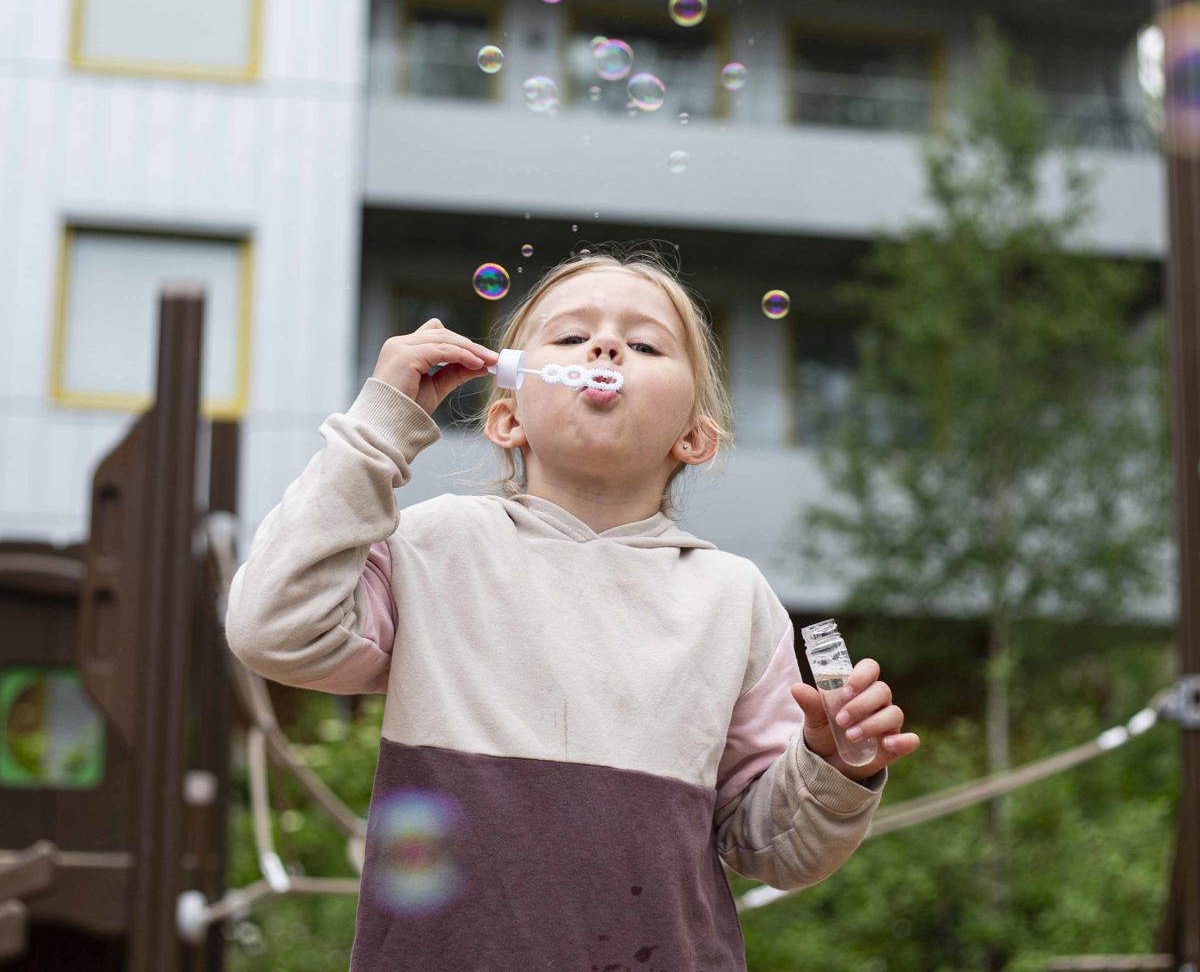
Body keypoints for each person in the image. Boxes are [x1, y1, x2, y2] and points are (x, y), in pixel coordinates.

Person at [224, 246, 920, 971]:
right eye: (568, 335)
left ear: (694, 436)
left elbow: (776, 848)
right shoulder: (433, 548)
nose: (606, 345)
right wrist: (380, 422)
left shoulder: (732, 598)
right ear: (506, 417)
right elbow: (274, 626)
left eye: (646, 343)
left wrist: (833, 763)